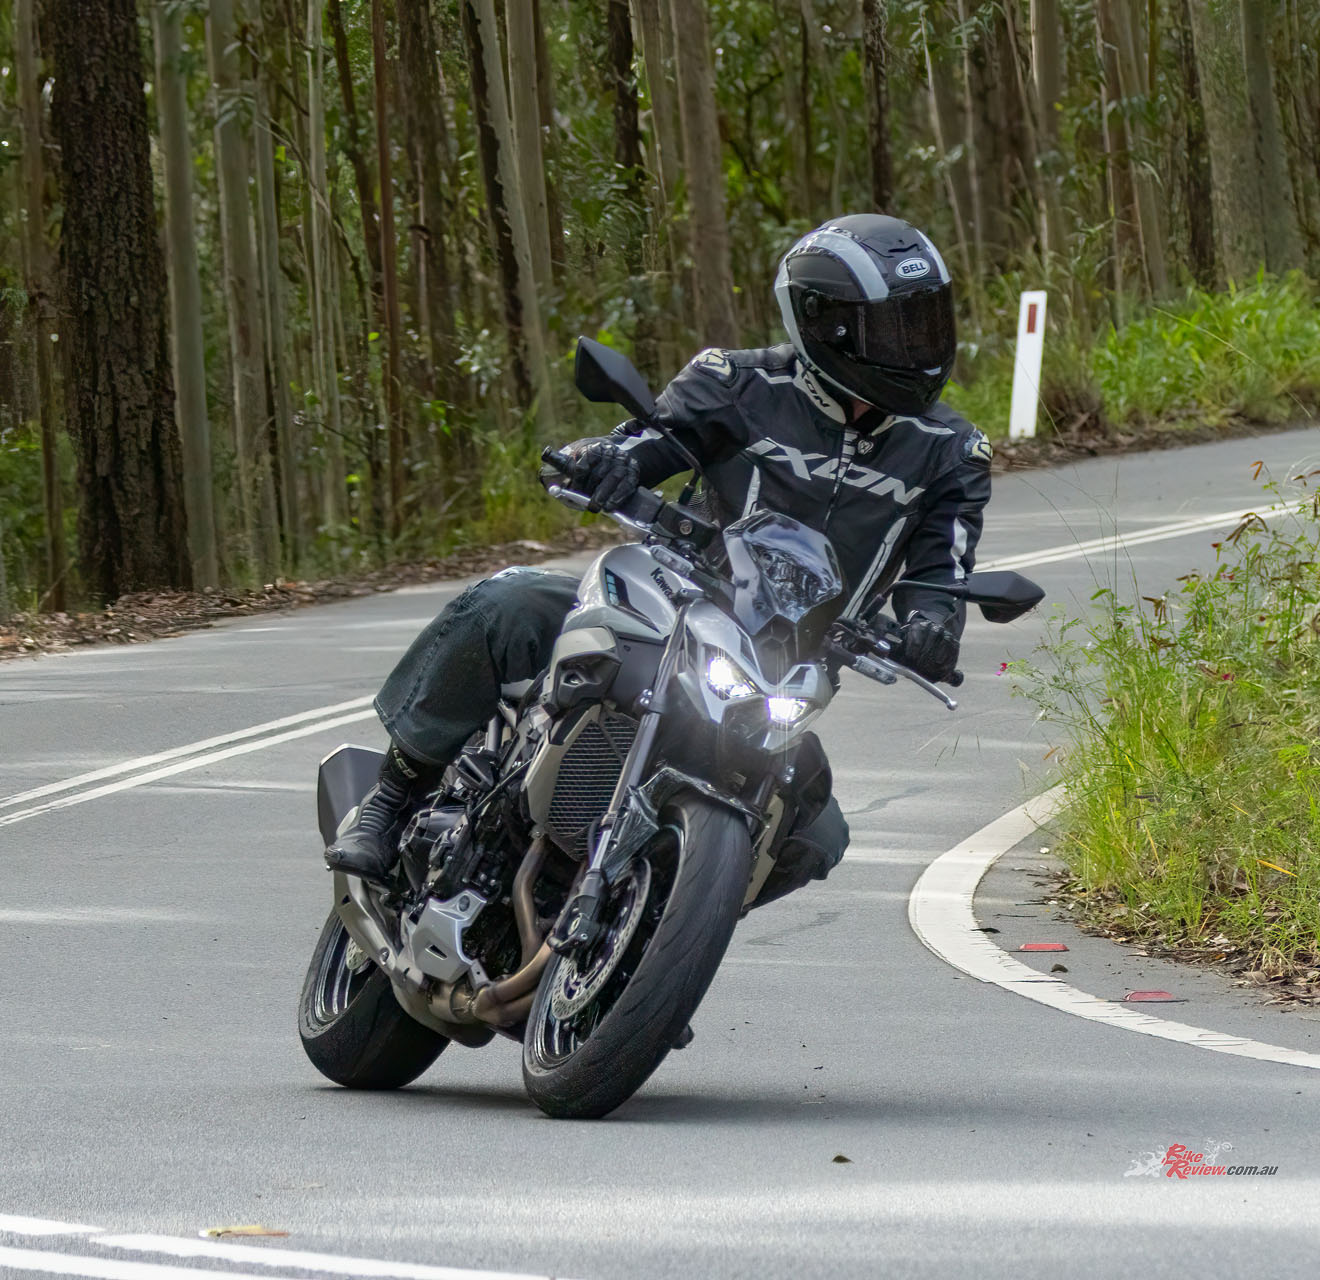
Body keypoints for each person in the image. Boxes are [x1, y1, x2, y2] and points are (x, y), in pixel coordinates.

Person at [324, 213, 993, 906]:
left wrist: (933, 627)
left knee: (816, 834)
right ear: (828, 326)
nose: (918, 347)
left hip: (785, 670)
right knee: (509, 603)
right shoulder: (738, 383)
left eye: (925, 323)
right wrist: (605, 461)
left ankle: (650, 936)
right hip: (672, 612)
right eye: (895, 329)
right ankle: (392, 799)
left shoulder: (950, 450)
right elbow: (651, 440)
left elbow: (941, 571)